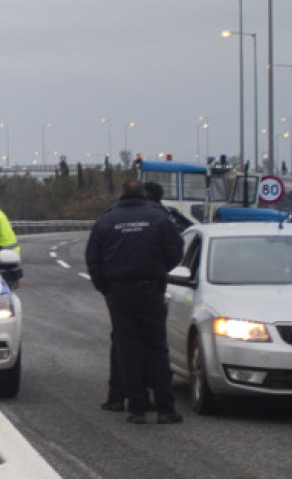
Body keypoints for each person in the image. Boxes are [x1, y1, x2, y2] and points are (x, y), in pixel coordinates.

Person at [86, 179, 184, 425]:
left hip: (119, 291)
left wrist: (105, 287)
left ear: (121, 194)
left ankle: (136, 409)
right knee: (157, 348)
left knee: (127, 349)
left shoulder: (106, 220)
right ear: (144, 195)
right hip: (150, 288)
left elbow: (93, 259)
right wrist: (159, 271)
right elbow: (175, 252)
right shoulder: (159, 218)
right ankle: (165, 409)